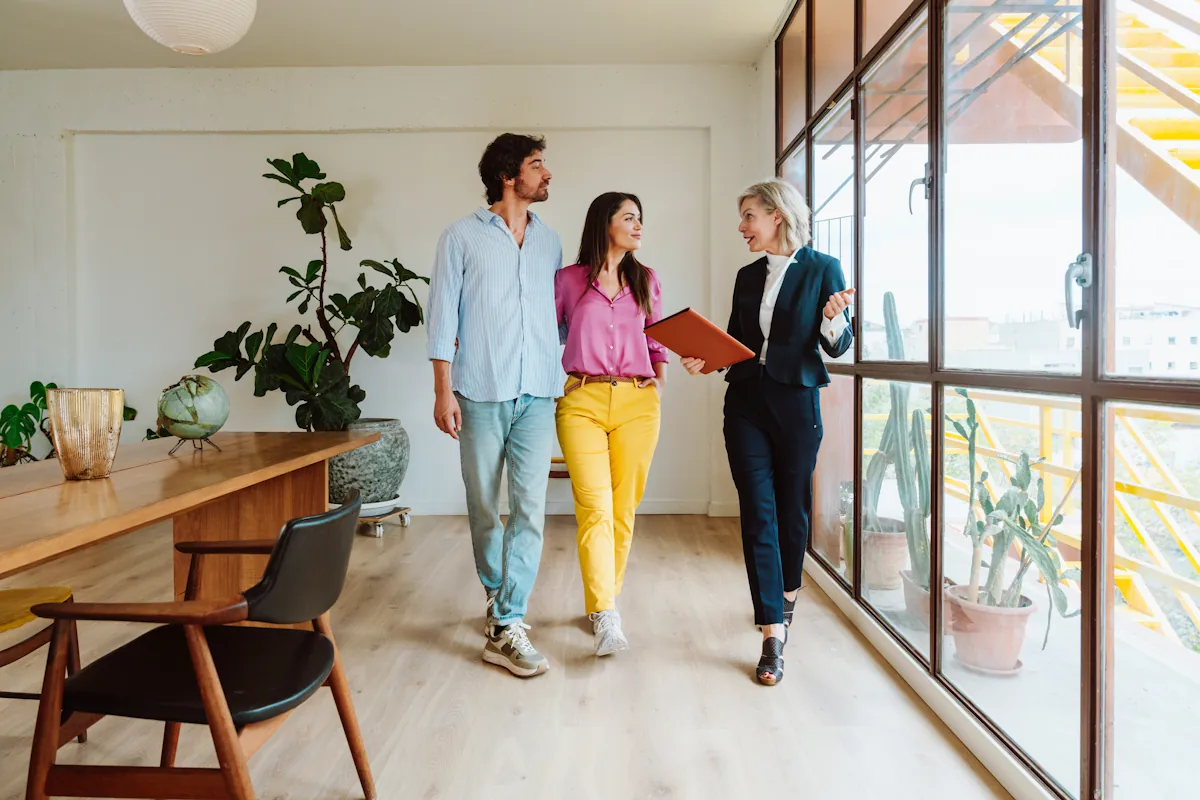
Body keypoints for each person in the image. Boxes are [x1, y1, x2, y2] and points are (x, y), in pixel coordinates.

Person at [681, 178, 854, 686]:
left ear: (776, 215)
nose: (742, 228)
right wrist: (704, 360)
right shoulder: (746, 275)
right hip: (747, 404)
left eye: (749, 217)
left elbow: (839, 345)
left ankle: (788, 591)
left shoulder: (823, 269)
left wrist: (830, 319)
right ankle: (772, 632)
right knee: (757, 512)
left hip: (798, 403)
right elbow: (735, 341)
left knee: (791, 509)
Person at [426, 133, 562, 678]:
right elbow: (442, 319)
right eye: (536, 165)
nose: (547, 173)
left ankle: (507, 621)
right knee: (485, 504)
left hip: (538, 393)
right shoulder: (460, 237)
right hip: (478, 390)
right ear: (509, 175)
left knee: (530, 508)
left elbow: (559, 315)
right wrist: (441, 390)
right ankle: (497, 597)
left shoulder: (550, 242)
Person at [554, 192, 666, 657]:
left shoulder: (647, 280)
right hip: (583, 399)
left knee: (623, 508)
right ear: (605, 224)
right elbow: (542, 332)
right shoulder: (567, 281)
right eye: (629, 217)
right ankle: (604, 613)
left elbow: (658, 342)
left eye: (641, 218)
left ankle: (606, 603)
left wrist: (656, 388)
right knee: (594, 507)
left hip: (639, 403)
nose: (639, 225)